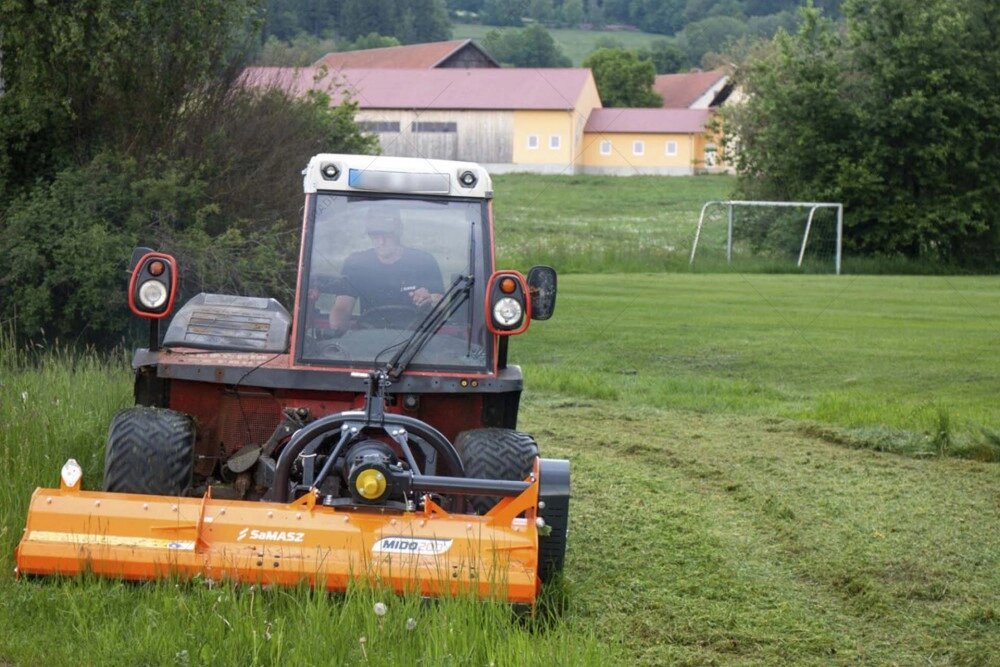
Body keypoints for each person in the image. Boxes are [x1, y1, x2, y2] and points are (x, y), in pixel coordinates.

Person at [328, 210, 444, 332]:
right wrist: (337, 332)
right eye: (375, 235)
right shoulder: (356, 264)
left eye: (386, 235)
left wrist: (429, 300)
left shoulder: (424, 261)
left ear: (398, 232)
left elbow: (440, 304)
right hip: (368, 340)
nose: (381, 241)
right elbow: (342, 308)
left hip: (416, 342)